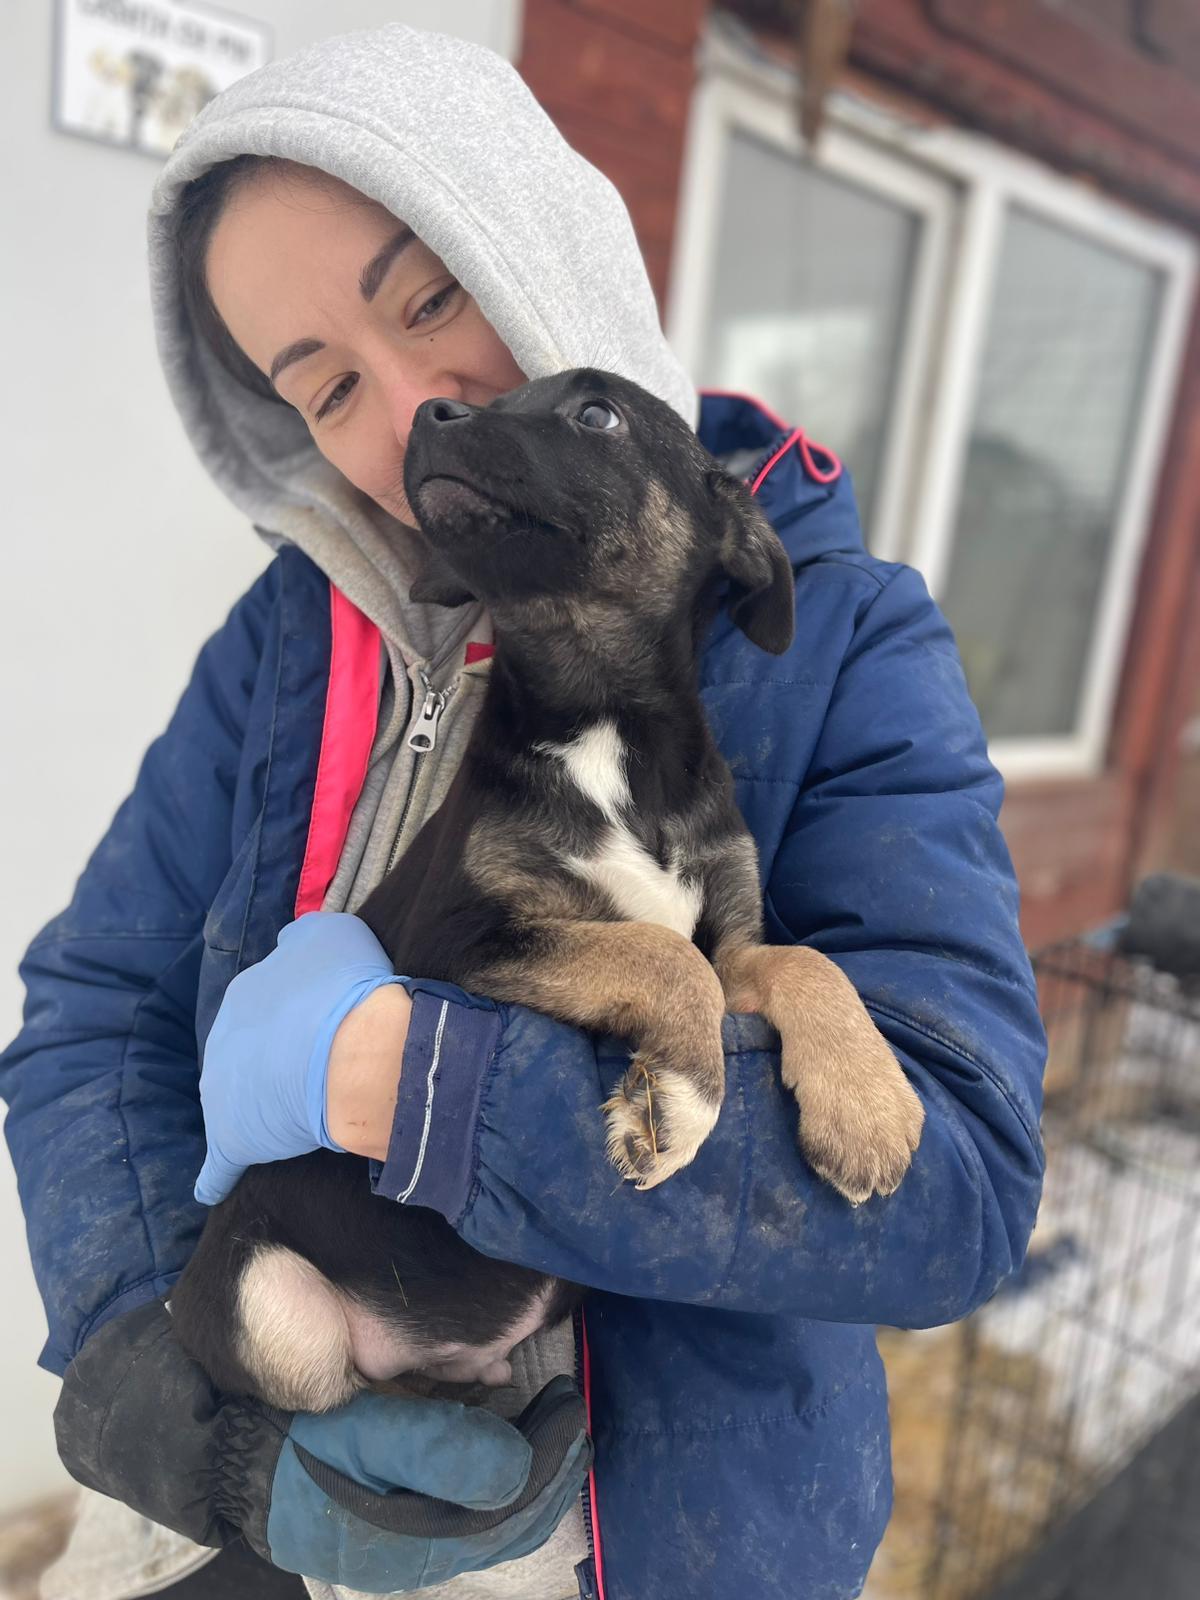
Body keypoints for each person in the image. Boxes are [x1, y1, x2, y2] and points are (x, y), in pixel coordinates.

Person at [0, 22, 1048, 1600]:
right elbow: (90, 1008)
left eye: (432, 297)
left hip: (643, 1545)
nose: (413, 408)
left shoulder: (842, 637)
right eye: (326, 385)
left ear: (543, 240)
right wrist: (168, 1381)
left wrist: (425, 1087)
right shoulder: (288, 643)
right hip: (275, 1485)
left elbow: (957, 1188)